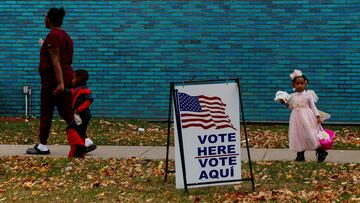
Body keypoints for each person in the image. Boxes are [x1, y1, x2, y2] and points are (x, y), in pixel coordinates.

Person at [26, 7, 95, 155]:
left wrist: (60, 83)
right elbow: (61, 57)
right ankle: (86, 140)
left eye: (45, 16)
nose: (44, 18)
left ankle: (42, 145)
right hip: (67, 76)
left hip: (53, 80)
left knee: (46, 111)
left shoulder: (53, 36)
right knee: (67, 112)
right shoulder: (66, 36)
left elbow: (55, 60)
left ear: (50, 19)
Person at [280, 70, 328, 162]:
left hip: (307, 117)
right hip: (296, 117)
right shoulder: (292, 96)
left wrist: (318, 116)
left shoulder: (308, 95)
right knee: (297, 134)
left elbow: (313, 107)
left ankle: (320, 151)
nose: (300, 85)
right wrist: (285, 103)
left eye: (302, 83)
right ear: (293, 85)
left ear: (305, 84)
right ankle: (300, 155)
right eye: (297, 83)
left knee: (309, 134)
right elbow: (291, 107)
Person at [65, 69, 94, 158]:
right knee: (80, 133)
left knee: (70, 128)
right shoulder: (77, 89)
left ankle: (80, 146)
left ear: (79, 79)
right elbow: (71, 92)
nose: (72, 80)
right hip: (80, 115)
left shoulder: (85, 89)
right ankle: (78, 154)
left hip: (83, 115)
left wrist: (79, 109)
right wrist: (62, 89)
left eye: (74, 78)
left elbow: (89, 100)